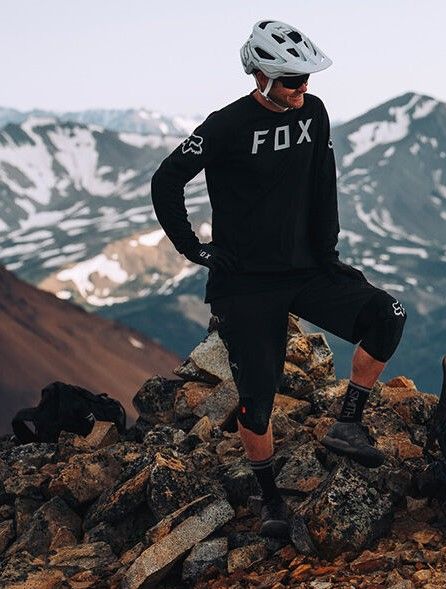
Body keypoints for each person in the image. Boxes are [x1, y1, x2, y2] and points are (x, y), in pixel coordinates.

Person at [151, 20, 407, 539]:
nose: (302, 89)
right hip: (245, 283)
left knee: (388, 315)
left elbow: (323, 185)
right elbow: (166, 180)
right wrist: (194, 248)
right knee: (256, 400)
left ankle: (347, 422)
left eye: (306, 78)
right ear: (261, 75)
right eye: (291, 80)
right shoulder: (225, 126)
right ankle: (271, 503)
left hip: (307, 270)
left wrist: (329, 256)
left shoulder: (313, 112)